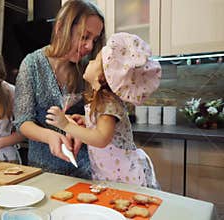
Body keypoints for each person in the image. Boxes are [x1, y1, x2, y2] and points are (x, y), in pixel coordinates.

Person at [46, 32, 161, 189]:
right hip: (113, 174)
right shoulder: (103, 101)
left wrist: (66, 125)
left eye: (96, 61)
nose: (90, 61)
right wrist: (87, 121)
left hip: (123, 178)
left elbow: (101, 138)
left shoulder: (108, 102)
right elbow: (105, 130)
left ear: (103, 76)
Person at [13, 0, 105, 179]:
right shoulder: (32, 65)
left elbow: (95, 116)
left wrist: (82, 126)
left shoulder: (88, 69)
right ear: (61, 27)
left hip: (85, 168)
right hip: (43, 171)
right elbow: (23, 122)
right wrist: (49, 136)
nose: (90, 46)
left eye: (94, 39)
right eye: (84, 37)